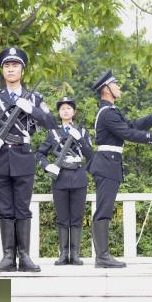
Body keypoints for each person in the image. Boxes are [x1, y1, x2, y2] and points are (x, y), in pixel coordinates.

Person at [0, 47, 57, 272]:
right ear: (2, 70)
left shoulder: (34, 98)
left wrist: (33, 111)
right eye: (7, 65)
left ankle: (24, 256)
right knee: (5, 208)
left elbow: (52, 124)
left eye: (15, 65)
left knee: (22, 208)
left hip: (23, 156)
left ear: (22, 70)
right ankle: (8, 257)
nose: (11, 69)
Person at [89, 71, 152, 268]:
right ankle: (102, 257)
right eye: (115, 84)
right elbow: (127, 132)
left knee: (105, 208)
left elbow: (130, 125)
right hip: (107, 164)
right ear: (106, 89)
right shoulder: (107, 113)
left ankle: (103, 256)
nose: (119, 87)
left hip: (110, 163)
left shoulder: (111, 111)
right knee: (104, 210)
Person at [36, 97, 94, 266]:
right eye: (62, 109)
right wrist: (47, 167)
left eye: (69, 108)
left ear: (74, 112)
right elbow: (40, 154)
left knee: (76, 217)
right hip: (60, 177)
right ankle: (63, 254)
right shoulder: (53, 133)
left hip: (78, 176)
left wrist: (81, 140)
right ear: (59, 113)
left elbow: (90, 156)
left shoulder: (82, 132)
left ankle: (75, 254)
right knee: (62, 218)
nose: (66, 111)